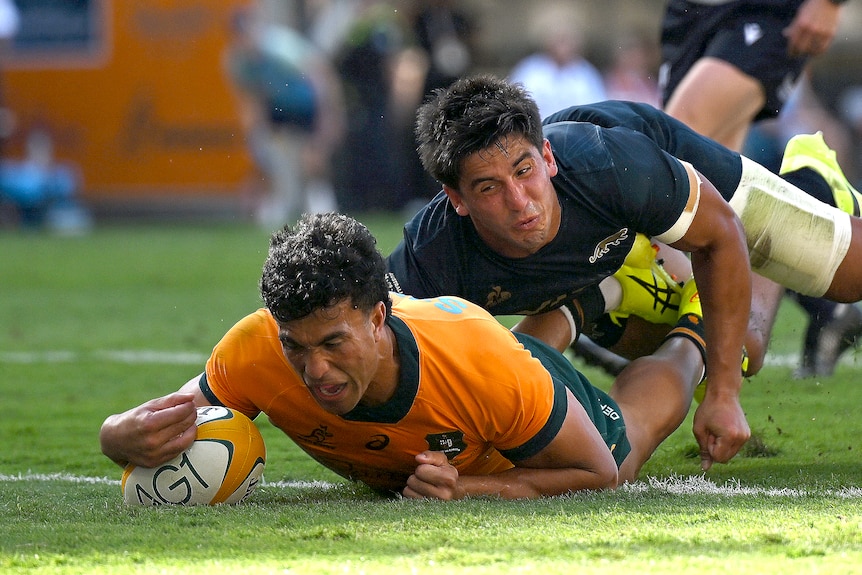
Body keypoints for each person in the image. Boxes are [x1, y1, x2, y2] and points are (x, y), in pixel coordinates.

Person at [386, 74, 862, 470]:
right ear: (457, 199)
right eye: (489, 187)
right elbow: (375, 341)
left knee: (814, 299)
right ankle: (604, 290)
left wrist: (722, 394)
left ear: (548, 157)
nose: (519, 201)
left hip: (654, 172)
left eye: (525, 170)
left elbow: (721, 238)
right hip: (595, 256)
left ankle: (810, 179)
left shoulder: (609, 165)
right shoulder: (430, 256)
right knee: (736, 348)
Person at [99, 213, 706, 500]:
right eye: (296, 346)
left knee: (629, 445)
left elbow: (594, 474)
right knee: (492, 393)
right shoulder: (255, 348)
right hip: (486, 382)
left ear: (378, 313)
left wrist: (466, 489)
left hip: (501, 369)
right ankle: (595, 295)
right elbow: (167, 420)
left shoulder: (478, 363)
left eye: (334, 343)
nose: (314, 371)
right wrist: (115, 435)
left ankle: (694, 331)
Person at [659, 0, 859, 378]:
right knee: (713, 187)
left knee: (669, 146)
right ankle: (810, 316)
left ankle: (607, 300)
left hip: (763, 10)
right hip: (690, 14)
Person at [225, 5, 345, 229]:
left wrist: (327, 117)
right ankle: (282, 202)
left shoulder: (279, 46)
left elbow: (320, 75)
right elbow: (251, 100)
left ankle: (323, 207)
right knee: (272, 155)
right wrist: (256, 139)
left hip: (308, 105)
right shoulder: (237, 62)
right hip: (278, 108)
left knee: (313, 160)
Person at [508, 7, 606, 119]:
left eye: (567, 40)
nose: (563, 46)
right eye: (559, 39)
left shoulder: (586, 73)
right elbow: (515, 105)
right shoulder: (530, 70)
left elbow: (598, 108)